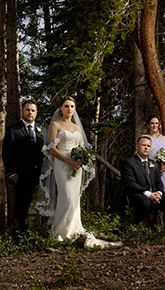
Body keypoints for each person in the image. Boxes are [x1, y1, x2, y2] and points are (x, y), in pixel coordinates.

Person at [36, 97, 120, 247]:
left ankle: (74, 230)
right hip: (62, 165)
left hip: (77, 166)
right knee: (67, 198)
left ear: (75, 109)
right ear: (61, 108)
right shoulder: (55, 125)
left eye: (72, 106)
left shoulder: (77, 127)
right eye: (66, 106)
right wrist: (68, 161)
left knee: (75, 199)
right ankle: (60, 233)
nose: (69, 109)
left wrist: (82, 158)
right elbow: (52, 148)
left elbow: (83, 147)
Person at [2, 100, 45, 229]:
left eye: (33, 110)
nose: (30, 112)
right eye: (27, 109)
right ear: (22, 111)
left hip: (41, 174)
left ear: (36, 113)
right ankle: (20, 234)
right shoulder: (13, 130)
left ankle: (40, 231)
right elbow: (7, 153)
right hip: (21, 176)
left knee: (42, 204)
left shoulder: (43, 130)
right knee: (22, 206)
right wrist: (12, 173)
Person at [121, 136, 165, 224]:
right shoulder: (129, 163)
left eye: (148, 146)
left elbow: (159, 182)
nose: (146, 148)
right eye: (143, 145)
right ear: (137, 147)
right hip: (138, 196)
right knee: (145, 202)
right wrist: (148, 194)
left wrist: (159, 193)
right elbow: (130, 184)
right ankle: (137, 228)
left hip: (154, 198)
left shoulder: (154, 164)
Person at [144, 115, 165, 197]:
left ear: (159, 125)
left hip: (164, 172)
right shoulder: (145, 138)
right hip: (151, 171)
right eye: (152, 123)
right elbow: (137, 155)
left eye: (156, 123)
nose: (154, 125)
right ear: (148, 125)